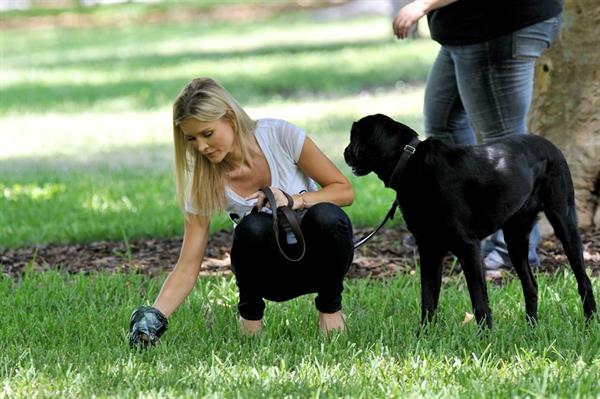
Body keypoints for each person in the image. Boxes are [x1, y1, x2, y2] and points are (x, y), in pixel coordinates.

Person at [128, 78, 355, 347]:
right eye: (192, 138)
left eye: (207, 134)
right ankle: (250, 325)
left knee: (327, 216)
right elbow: (188, 265)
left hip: (315, 262)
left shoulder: (279, 136)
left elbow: (344, 191)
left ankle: (330, 312)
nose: (201, 147)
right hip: (270, 277)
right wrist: (155, 317)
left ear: (230, 118)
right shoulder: (201, 181)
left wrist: (294, 200)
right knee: (252, 228)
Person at [392, 0, 562, 269]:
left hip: (498, 27)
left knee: (505, 142)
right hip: (465, 29)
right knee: (443, 127)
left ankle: (513, 251)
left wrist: (422, 5)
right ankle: (464, 231)